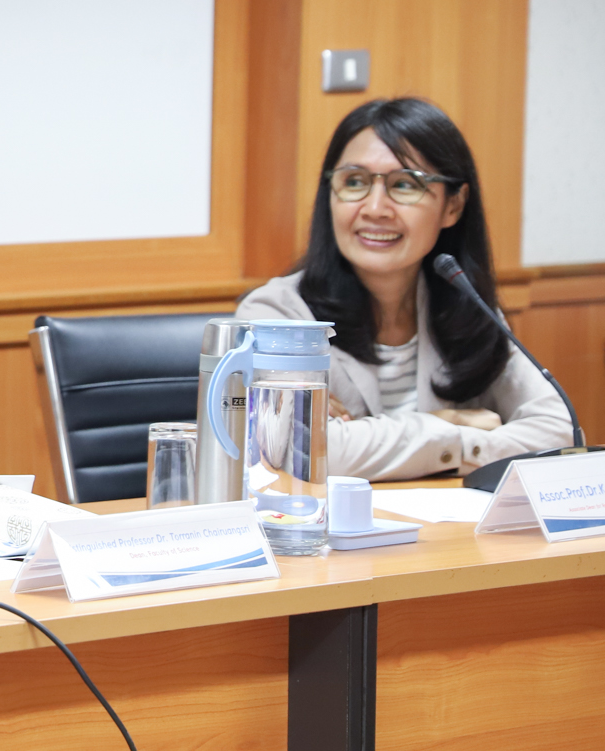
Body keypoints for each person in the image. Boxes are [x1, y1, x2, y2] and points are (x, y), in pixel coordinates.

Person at [238, 96, 572, 481]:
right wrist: (447, 425)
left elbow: (557, 430)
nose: (375, 208)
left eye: (405, 184)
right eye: (354, 182)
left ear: (453, 205)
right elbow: (291, 449)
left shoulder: (468, 308)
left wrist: (436, 442)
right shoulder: (276, 314)